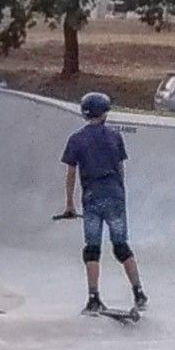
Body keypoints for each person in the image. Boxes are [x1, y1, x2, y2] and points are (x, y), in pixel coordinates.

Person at [61, 92, 149, 315]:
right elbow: (120, 169)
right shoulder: (115, 137)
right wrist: (120, 195)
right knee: (121, 246)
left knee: (92, 249)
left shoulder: (76, 139)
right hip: (114, 196)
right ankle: (139, 293)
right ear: (104, 114)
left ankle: (93, 298)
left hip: (91, 198)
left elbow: (71, 173)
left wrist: (69, 203)